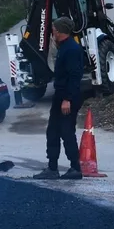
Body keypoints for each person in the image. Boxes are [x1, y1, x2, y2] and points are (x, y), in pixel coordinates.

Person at [33, 17, 85, 180]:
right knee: (53, 131)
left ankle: (75, 168)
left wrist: (67, 99)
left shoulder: (72, 49)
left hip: (68, 98)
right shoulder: (63, 47)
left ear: (61, 31)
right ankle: (52, 168)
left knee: (67, 132)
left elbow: (75, 76)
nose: (52, 32)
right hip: (60, 97)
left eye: (54, 29)